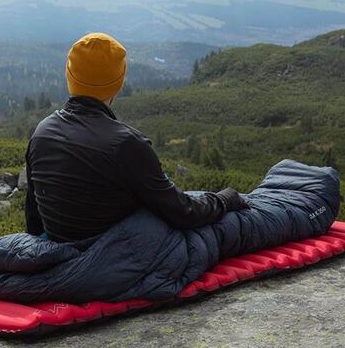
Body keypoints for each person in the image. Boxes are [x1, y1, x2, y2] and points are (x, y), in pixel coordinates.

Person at [24, 32, 248, 241]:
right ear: (118, 83)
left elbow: (34, 218)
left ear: (69, 75)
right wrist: (224, 200)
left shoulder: (41, 132)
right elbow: (183, 214)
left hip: (57, 251)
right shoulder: (127, 144)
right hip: (112, 258)